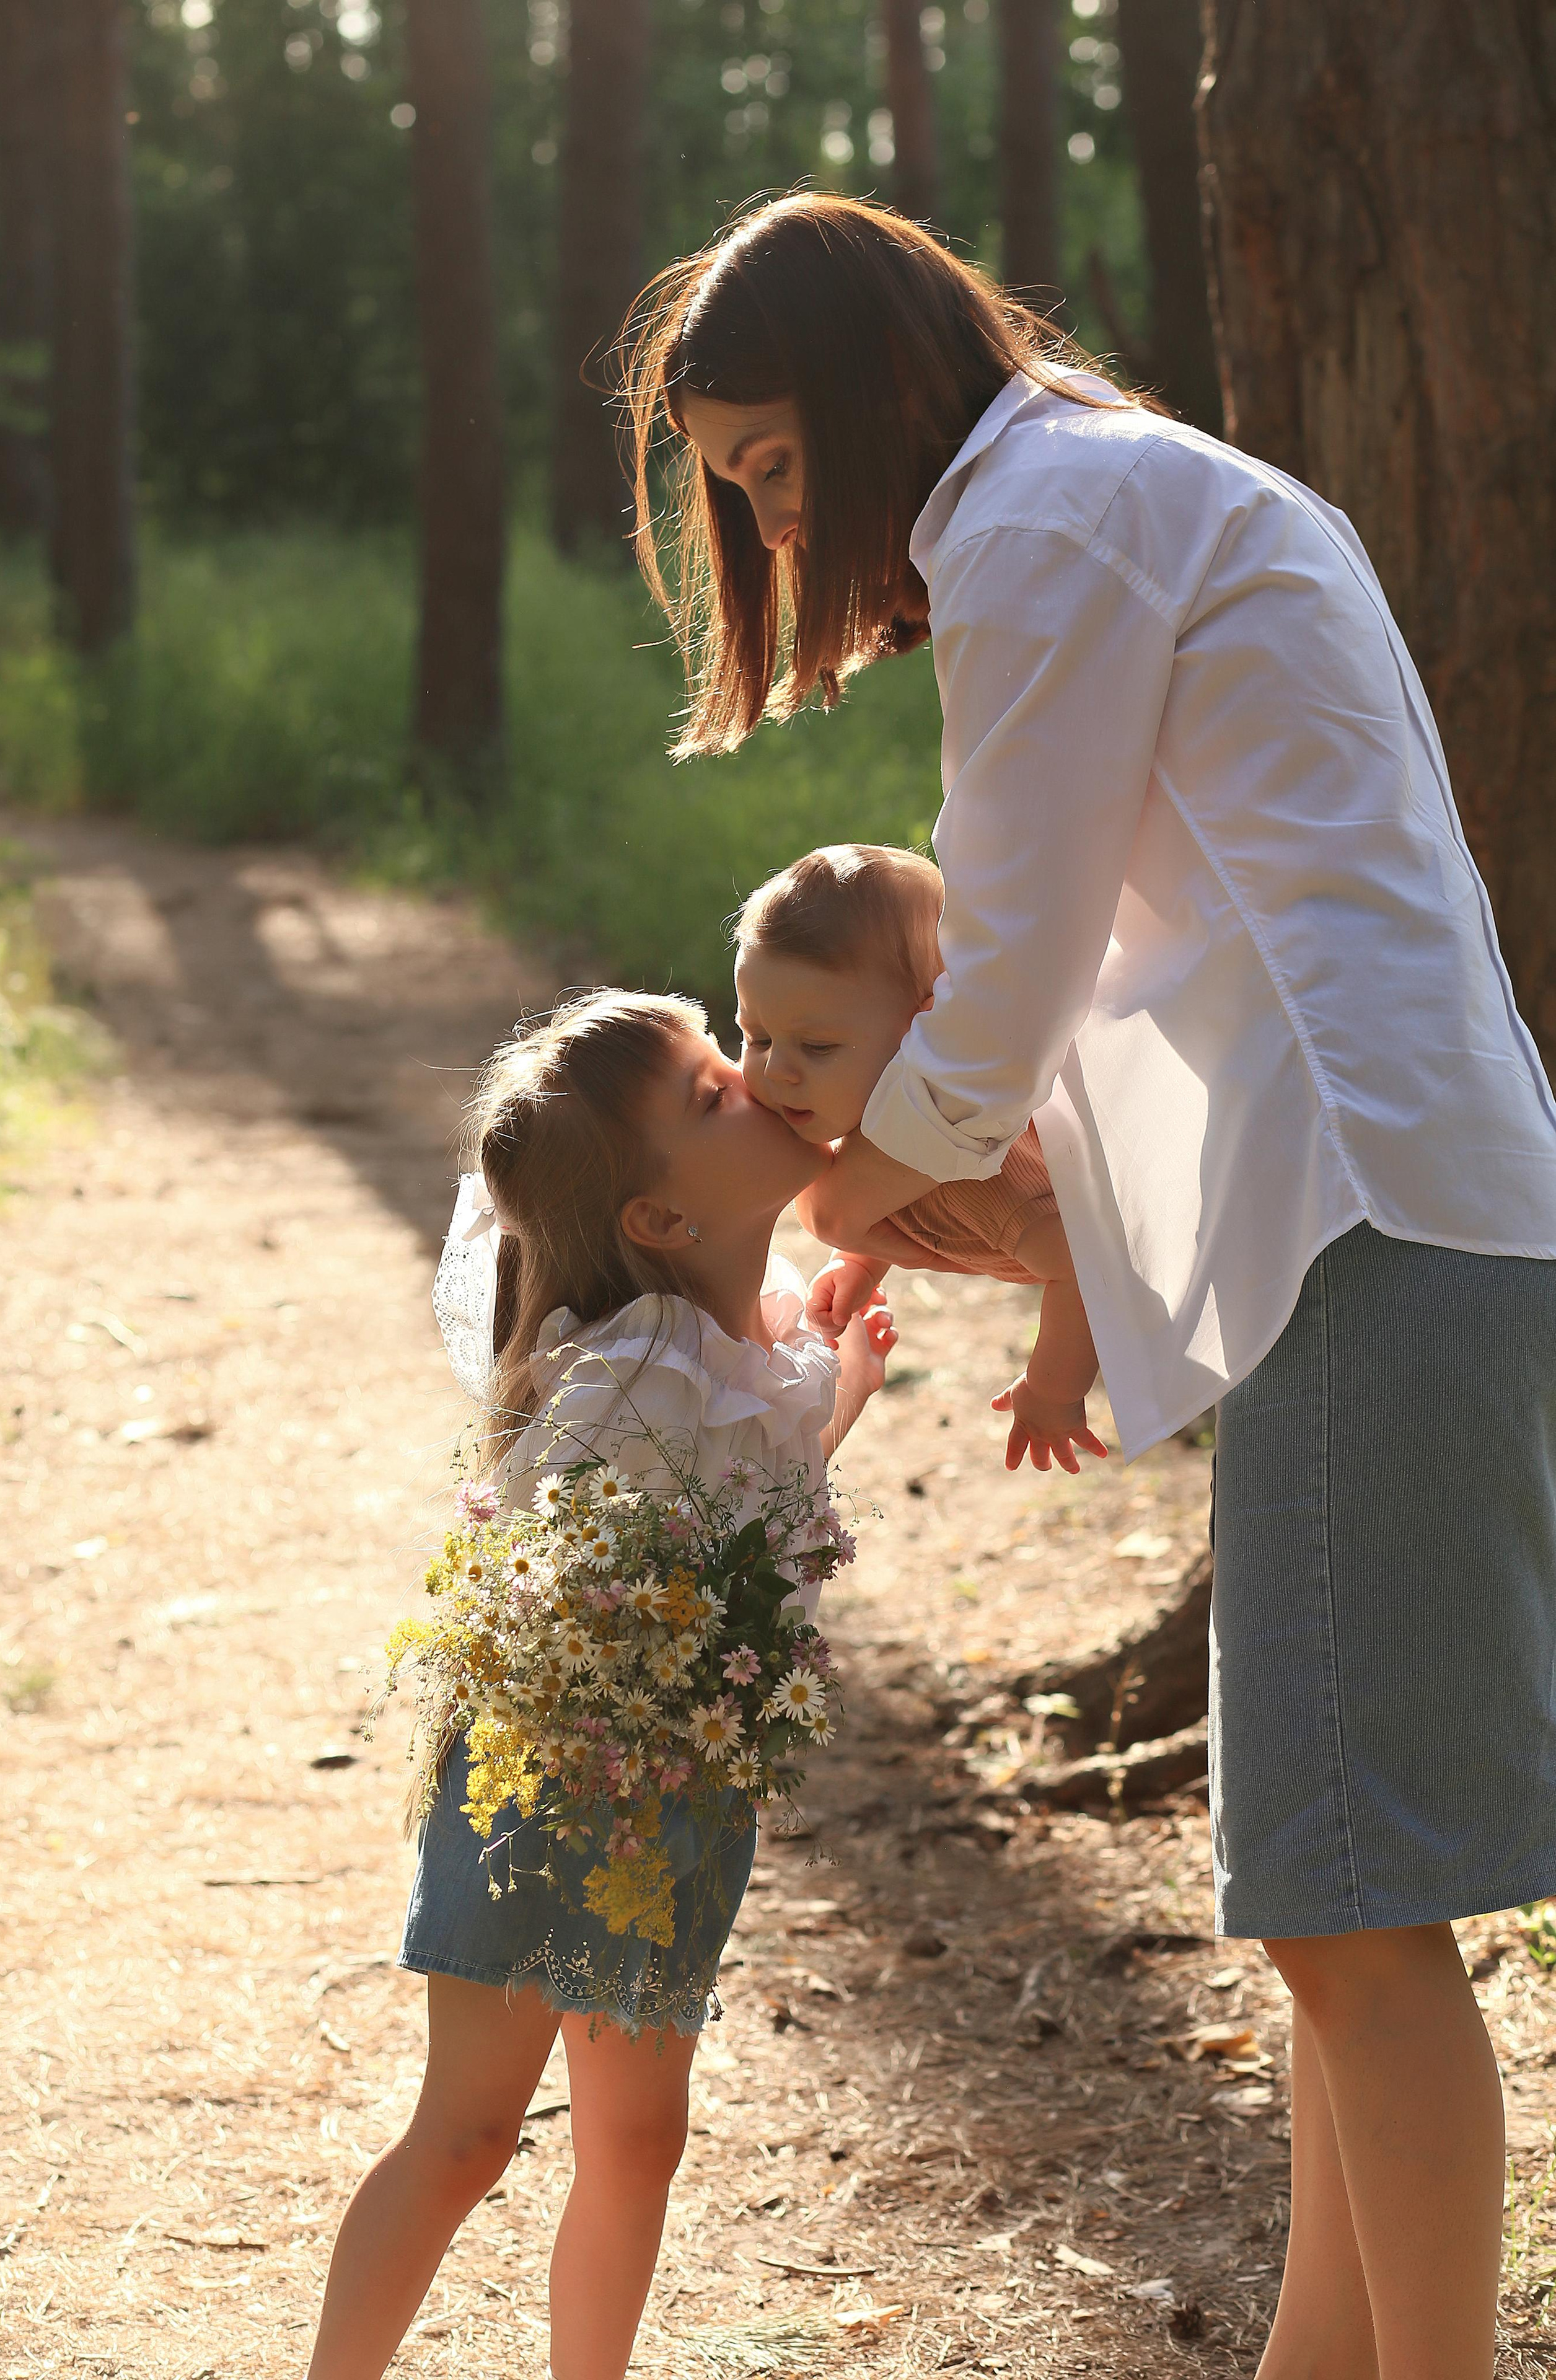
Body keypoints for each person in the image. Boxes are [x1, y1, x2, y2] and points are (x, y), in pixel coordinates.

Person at [623, 193, 1556, 2379]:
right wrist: (951, 1183)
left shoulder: (1045, 528)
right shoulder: (1111, 488)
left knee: (1357, 1907)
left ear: (861, 398)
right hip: (1393, 1209)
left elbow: (1007, 972)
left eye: (767, 469)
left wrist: (834, 1197)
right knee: (1341, 1899)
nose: (764, 526)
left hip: (1375, 1215)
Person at [304, 989, 893, 2380]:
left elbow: (767, 1489)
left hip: (677, 1780)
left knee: (639, 2135)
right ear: (659, 1221)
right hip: (544, 1763)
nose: (757, 1079)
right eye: (710, 1092)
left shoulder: (746, 1349)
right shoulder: (621, 1365)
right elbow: (576, 1549)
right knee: (465, 2132)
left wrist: (842, 1374)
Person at [734, 840, 1105, 1473]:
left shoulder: (982, 1178)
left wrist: (1052, 1389)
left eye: (817, 1047)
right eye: (756, 1036)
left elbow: (1085, 1270)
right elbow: (890, 1187)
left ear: (926, 1030)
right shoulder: (873, 1124)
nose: (777, 1070)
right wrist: (860, 1261)